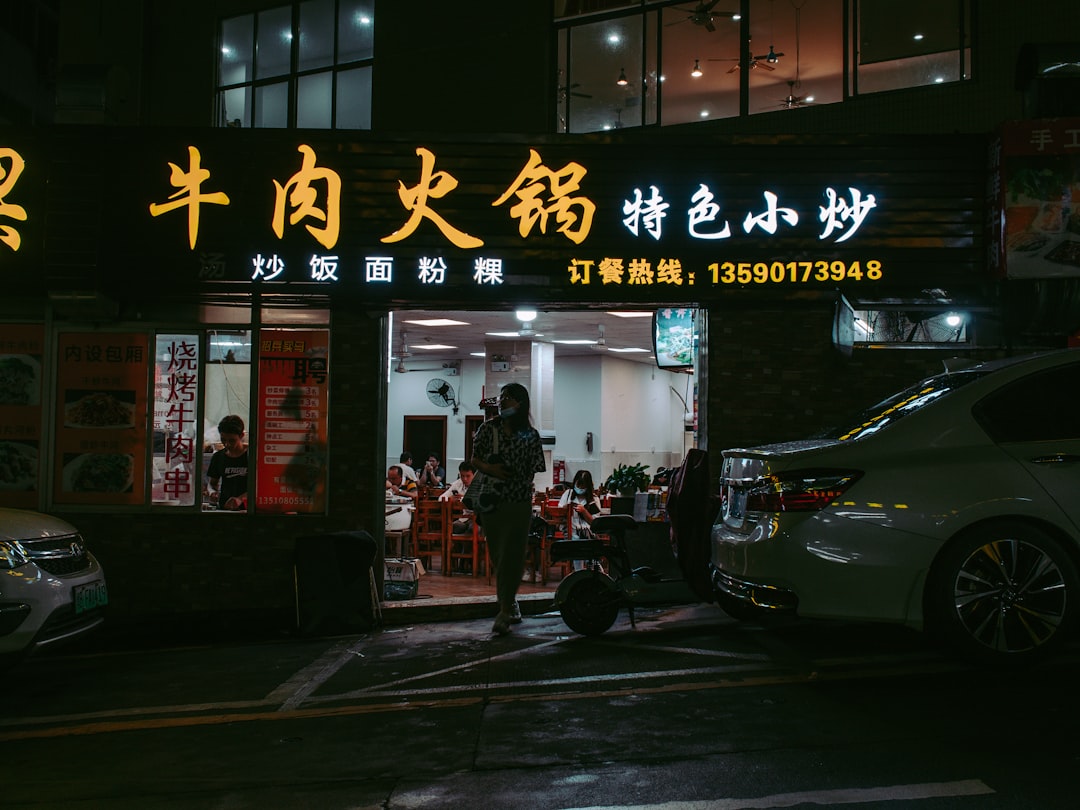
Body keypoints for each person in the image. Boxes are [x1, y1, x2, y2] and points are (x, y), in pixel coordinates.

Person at [470, 382, 545, 635]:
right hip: (493, 500)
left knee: (514, 553)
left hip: (520, 501)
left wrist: (519, 478)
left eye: (508, 398)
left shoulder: (530, 435)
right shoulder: (488, 429)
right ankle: (507, 602)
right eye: (501, 398)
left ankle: (506, 605)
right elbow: (475, 459)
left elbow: (535, 467)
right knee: (499, 552)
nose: (502, 402)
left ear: (521, 403)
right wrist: (492, 470)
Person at [558, 469, 602, 570]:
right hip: (571, 532)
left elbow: (594, 523)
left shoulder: (594, 500)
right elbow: (559, 513)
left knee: (585, 542)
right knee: (576, 541)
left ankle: (594, 570)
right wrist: (566, 508)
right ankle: (580, 573)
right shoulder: (568, 495)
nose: (580, 488)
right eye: (578, 485)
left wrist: (584, 511)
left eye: (583, 487)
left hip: (588, 533)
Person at [206, 414, 249, 511]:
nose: (226, 444)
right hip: (224, 509)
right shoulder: (218, 457)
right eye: (223, 440)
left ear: (242, 435)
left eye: (232, 441)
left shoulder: (252, 456)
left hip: (247, 510)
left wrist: (240, 499)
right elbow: (212, 483)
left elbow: (259, 487)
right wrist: (212, 491)